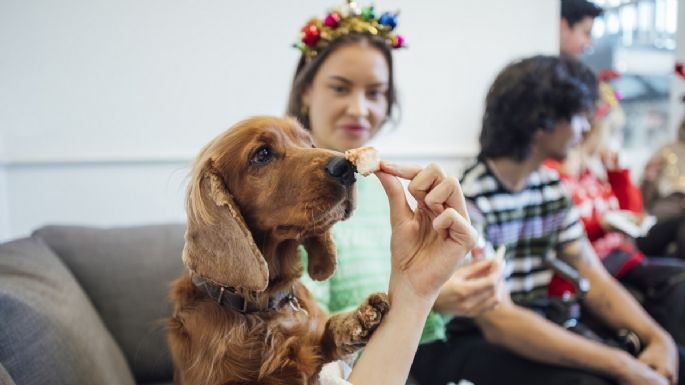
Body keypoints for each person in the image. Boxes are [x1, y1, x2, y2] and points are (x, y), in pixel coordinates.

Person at [412, 55, 683, 385]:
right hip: (466, 339)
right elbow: (499, 321)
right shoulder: (468, 198)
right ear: (543, 122)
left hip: (532, 323)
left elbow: (593, 277)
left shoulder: (550, 188)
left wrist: (658, 339)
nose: (585, 130)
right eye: (580, 118)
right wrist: (621, 365)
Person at [286, 0, 503, 380]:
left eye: (375, 92)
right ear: (305, 91)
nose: (359, 108)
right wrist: (427, 300)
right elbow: (297, 326)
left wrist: (451, 282)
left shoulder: (387, 188)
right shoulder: (286, 198)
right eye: (340, 88)